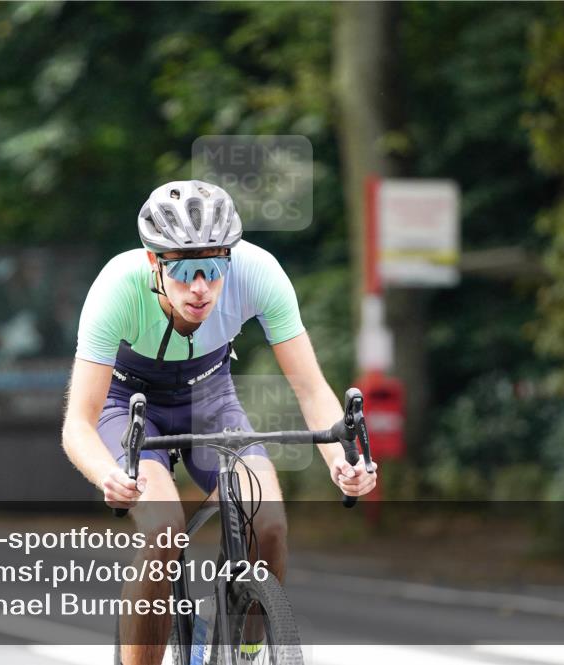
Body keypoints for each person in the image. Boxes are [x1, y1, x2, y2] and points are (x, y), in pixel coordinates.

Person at [61, 180, 377, 665]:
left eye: (213, 267)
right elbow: (78, 423)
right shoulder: (115, 288)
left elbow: (312, 389)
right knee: (164, 530)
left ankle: (247, 651)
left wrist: (343, 460)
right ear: (154, 264)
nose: (201, 287)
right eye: (185, 270)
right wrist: (106, 472)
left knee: (268, 522)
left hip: (210, 395)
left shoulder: (259, 272)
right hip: (129, 405)